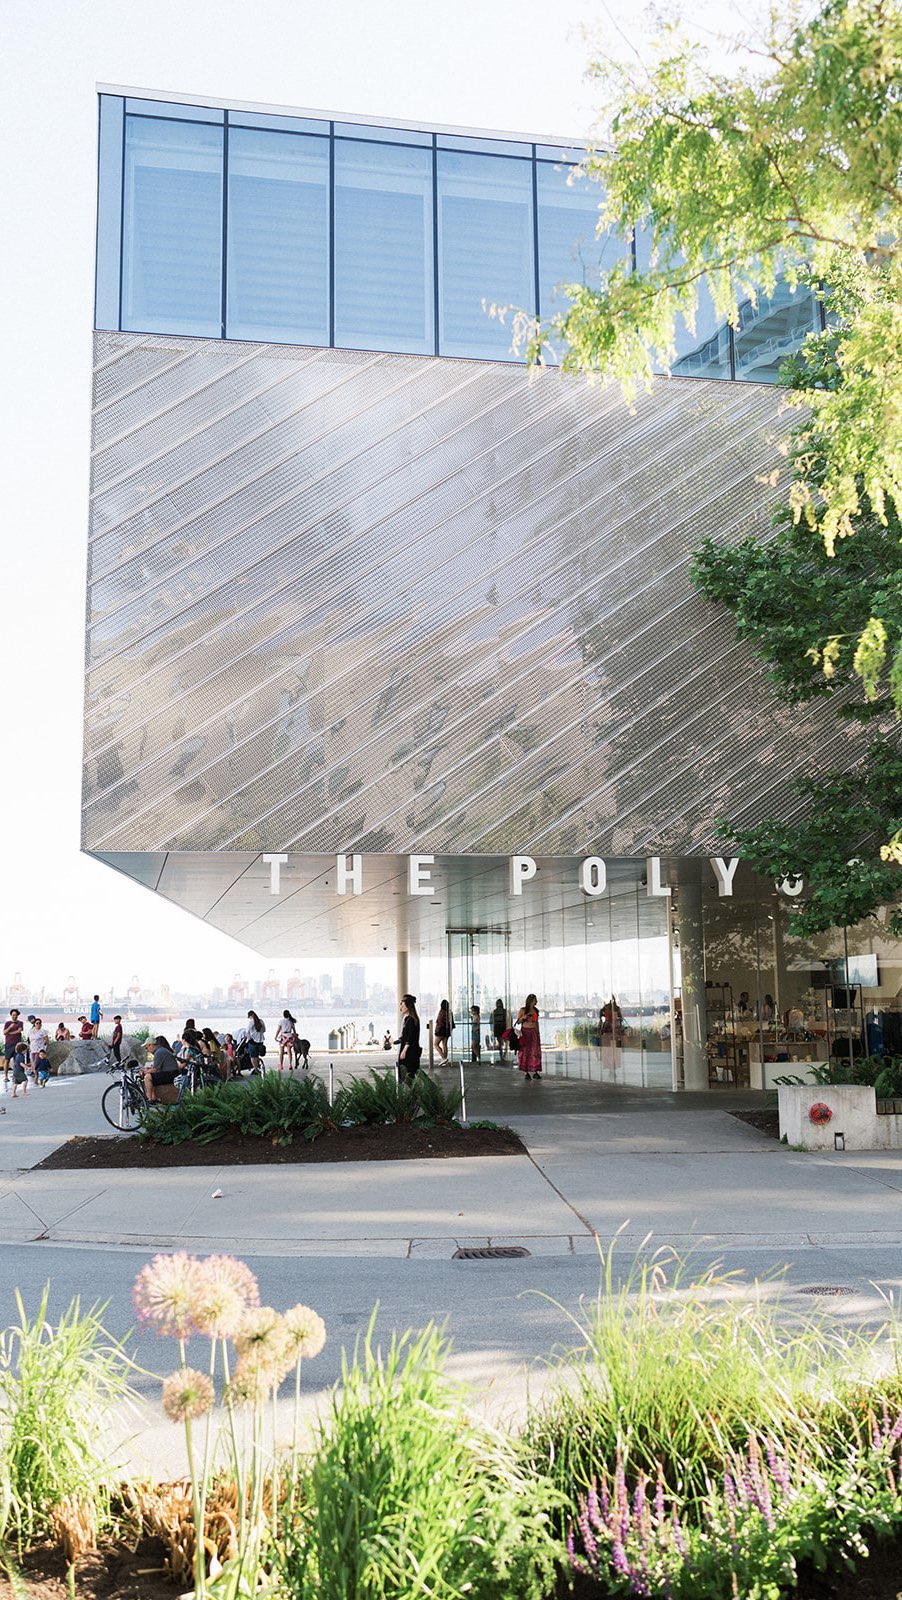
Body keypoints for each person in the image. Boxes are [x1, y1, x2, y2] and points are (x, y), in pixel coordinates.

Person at [143, 1035, 182, 1104]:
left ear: (150, 1045)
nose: (147, 1050)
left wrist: (144, 1072)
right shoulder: (160, 1050)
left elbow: (154, 1070)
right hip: (171, 1072)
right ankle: (153, 1098)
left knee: (147, 1077)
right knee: (152, 1077)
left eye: (146, 1048)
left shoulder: (159, 1052)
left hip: (171, 1074)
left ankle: (149, 1099)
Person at [517, 994, 542, 1078]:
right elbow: (518, 1022)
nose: (536, 1001)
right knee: (525, 1051)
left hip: (533, 1031)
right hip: (525, 1032)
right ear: (531, 1001)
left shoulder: (536, 1010)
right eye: (535, 1000)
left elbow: (536, 1022)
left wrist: (538, 1032)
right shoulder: (523, 1010)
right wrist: (523, 1017)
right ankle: (526, 1072)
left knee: (535, 1051)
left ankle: (535, 1070)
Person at [397, 994, 421, 1081]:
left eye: (403, 1005)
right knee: (407, 1075)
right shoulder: (408, 1019)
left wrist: (404, 1051)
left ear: (408, 1007)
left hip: (410, 1052)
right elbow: (405, 1036)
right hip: (410, 1050)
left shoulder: (411, 1020)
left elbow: (410, 1037)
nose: (401, 1007)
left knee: (407, 1074)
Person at [3, 1009, 24, 1091]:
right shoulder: (7, 1023)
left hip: (17, 1045)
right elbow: (4, 1032)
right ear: (11, 1015)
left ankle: (15, 1075)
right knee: (7, 1060)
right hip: (8, 1044)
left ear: (18, 1015)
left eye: (15, 1015)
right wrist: (10, 1027)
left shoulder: (20, 1023)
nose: (14, 1016)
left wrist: (9, 1033)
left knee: (16, 1061)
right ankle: (6, 1076)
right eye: (13, 1015)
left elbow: (19, 1031)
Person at [28, 1017, 49, 1084]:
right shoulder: (31, 1031)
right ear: (34, 1024)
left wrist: (43, 1046)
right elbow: (30, 1040)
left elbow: (46, 1040)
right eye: (37, 1023)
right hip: (32, 1049)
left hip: (39, 1049)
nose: (38, 1024)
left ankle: (37, 1076)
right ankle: (35, 1075)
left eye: (39, 1023)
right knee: (33, 1063)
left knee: (37, 1062)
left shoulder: (43, 1031)